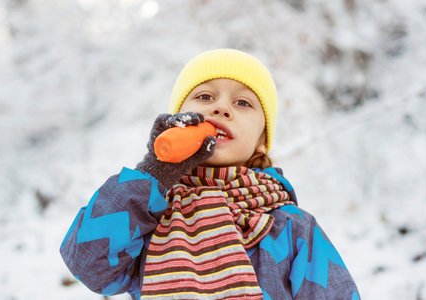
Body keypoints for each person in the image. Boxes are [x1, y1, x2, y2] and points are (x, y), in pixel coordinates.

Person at [60, 49, 360, 299]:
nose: (221, 108)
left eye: (243, 103)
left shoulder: (291, 228)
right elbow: (88, 264)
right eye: (204, 97)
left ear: (260, 138)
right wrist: (154, 172)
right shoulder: (148, 216)